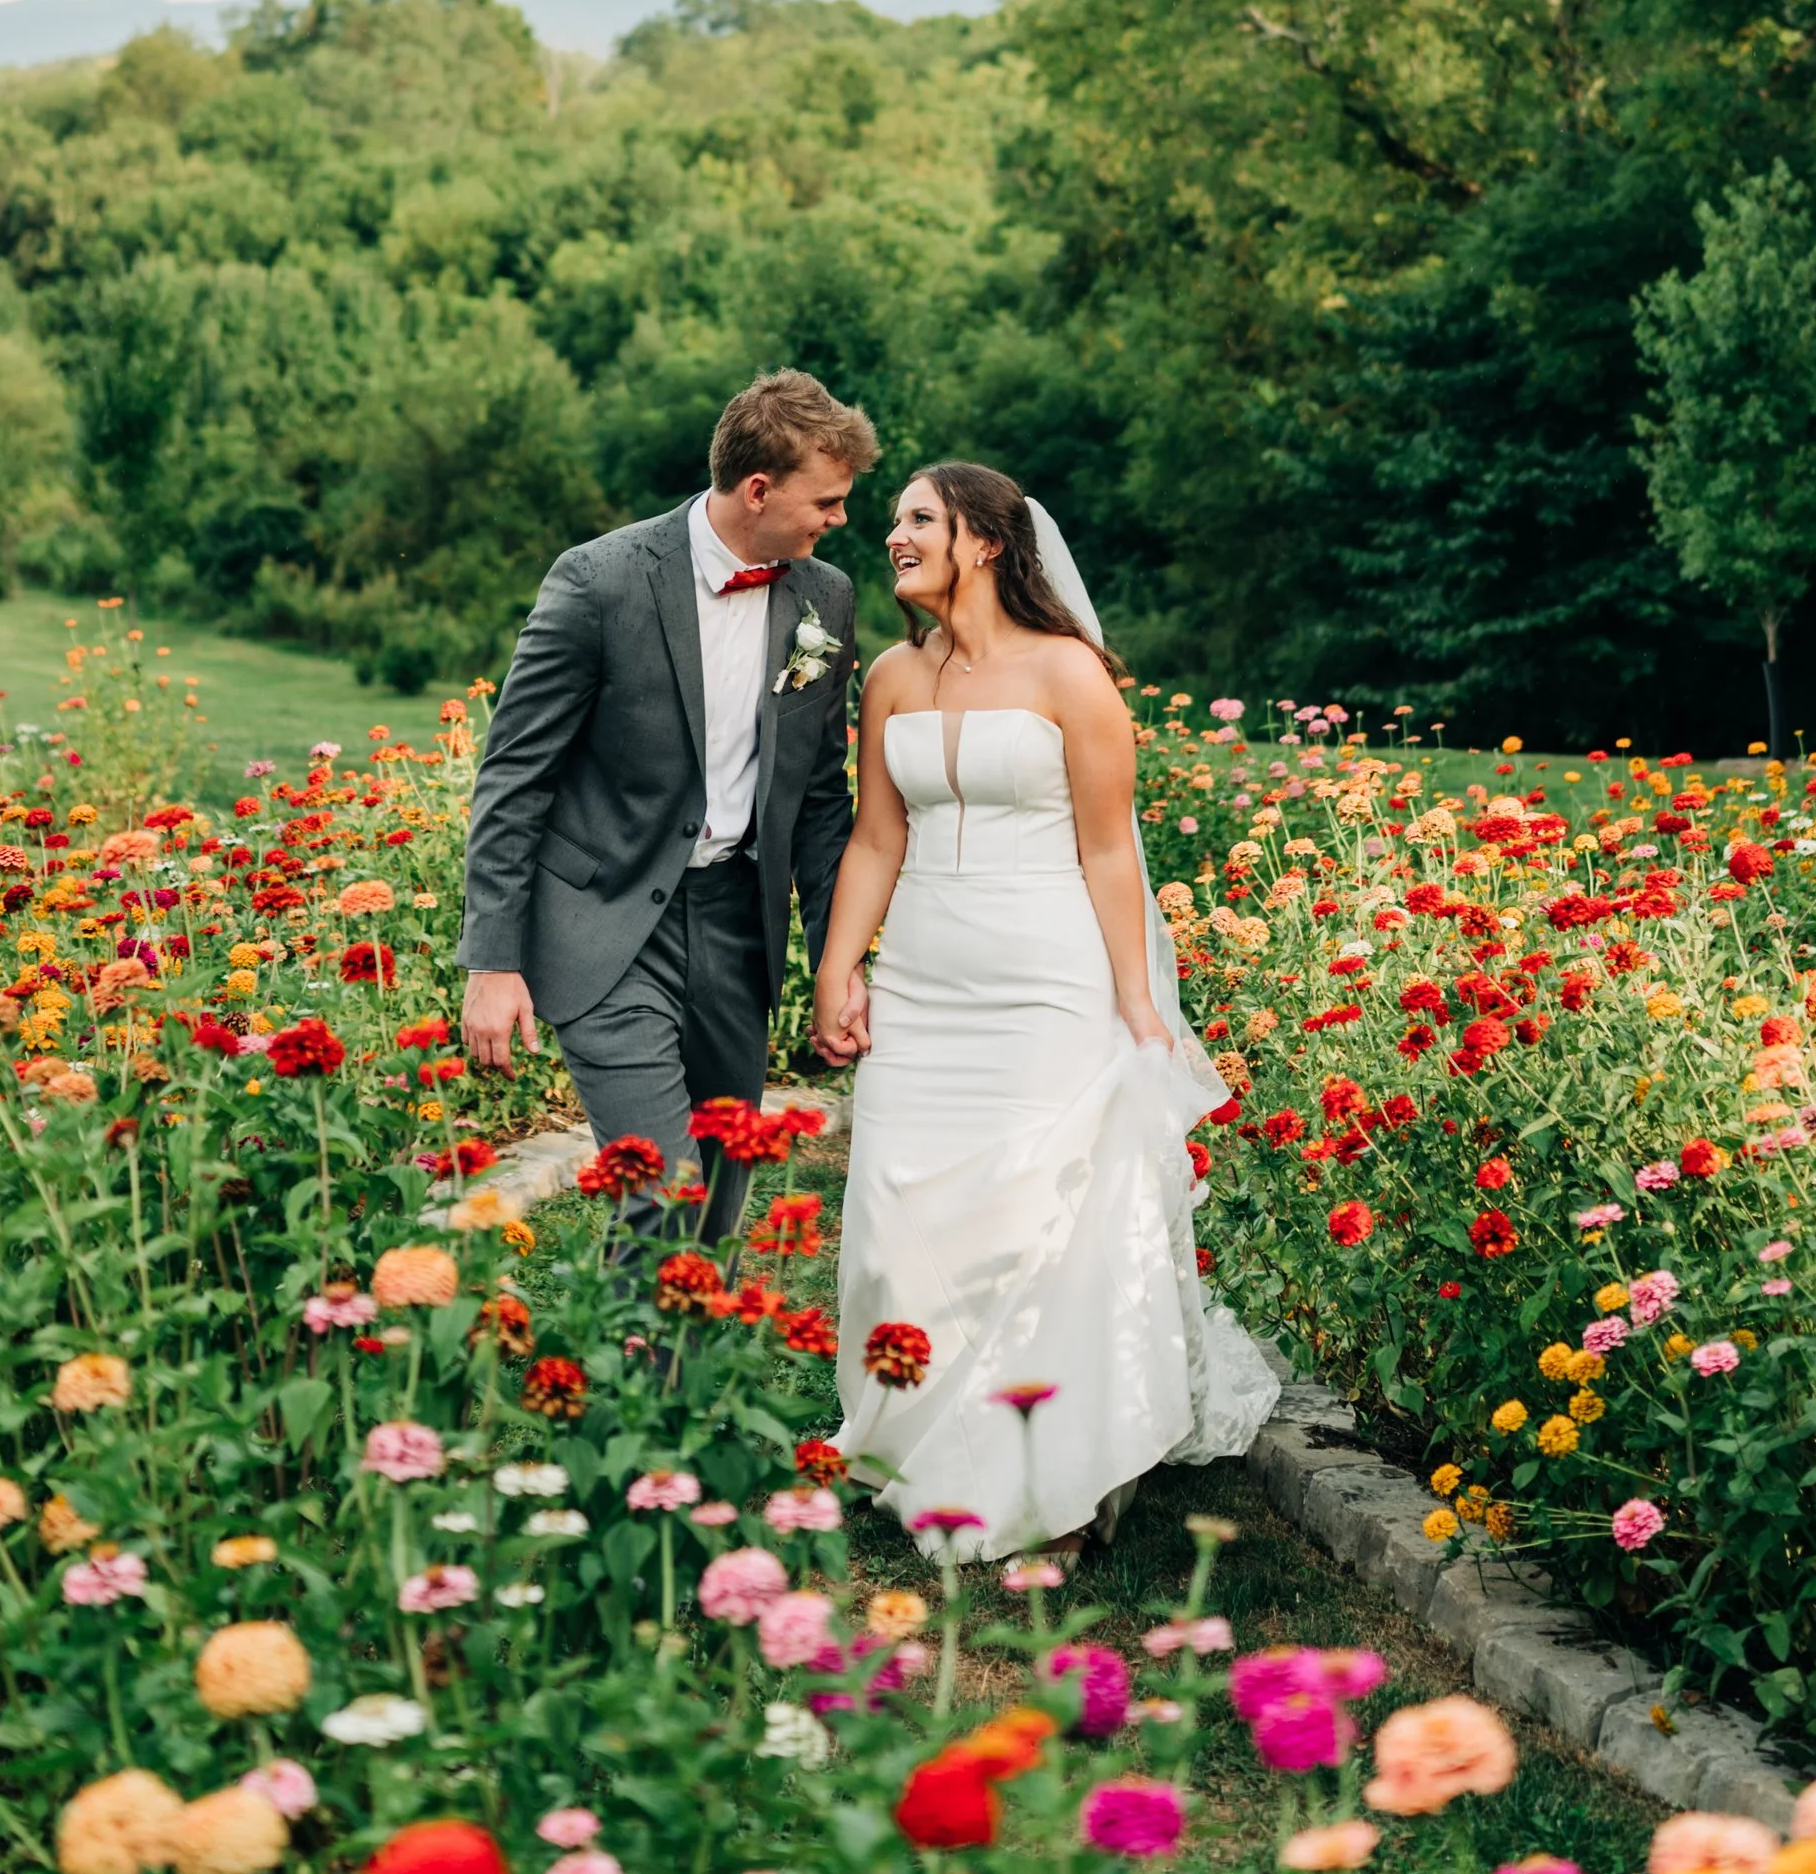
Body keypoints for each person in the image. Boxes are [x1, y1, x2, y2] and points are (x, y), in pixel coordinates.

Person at [812, 461, 1278, 1556]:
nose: (893, 536)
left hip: (1045, 977)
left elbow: (1109, 846)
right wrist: (841, 968)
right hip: (925, 980)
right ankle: (918, 1449)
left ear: (979, 539)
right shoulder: (888, 676)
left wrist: (1136, 1002)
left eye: (916, 518)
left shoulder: (1070, 674)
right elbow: (877, 836)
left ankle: (1051, 1488)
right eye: (893, 521)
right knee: (896, 1218)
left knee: (1033, 1223)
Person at [456, 368, 873, 1234]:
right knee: (663, 1192)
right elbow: (513, 776)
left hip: (735, 924)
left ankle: (656, 1367)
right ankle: (643, 1366)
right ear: (759, 490)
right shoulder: (599, 581)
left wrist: (840, 962)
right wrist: (492, 963)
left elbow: (822, 799)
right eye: (826, 501)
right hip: (604, 923)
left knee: (719, 1195)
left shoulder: (824, 596)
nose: (839, 519)